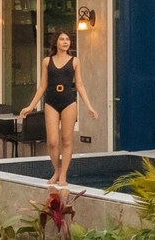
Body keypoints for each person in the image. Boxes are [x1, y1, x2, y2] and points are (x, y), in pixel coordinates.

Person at [17, 30, 98, 188]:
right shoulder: (47, 61)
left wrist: (89, 106)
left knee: (66, 140)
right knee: (52, 142)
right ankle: (57, 169)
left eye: (67, 39)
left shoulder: (75, 61)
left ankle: (63, 175)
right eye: (62, 39)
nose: (65, 42)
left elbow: (79, 85)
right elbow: (42, 86)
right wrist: (30, 106)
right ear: (56, 42)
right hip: (51, 102)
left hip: (69, 102)